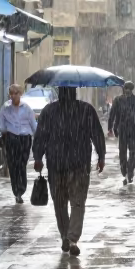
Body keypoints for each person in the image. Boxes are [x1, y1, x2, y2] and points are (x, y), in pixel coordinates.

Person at [32, 87, 106, 256]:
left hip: (56, 164)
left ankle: (66, 235)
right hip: (79, 164)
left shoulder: (49, 111)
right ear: (75, 92)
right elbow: (97, 134)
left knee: (60, 203)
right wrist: (101, 156)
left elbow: (40, 136)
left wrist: (38, 157)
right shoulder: (86, 109)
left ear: (59, 92)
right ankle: (72, 238)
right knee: (77, 202)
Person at [0, 84, 38, 203]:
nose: (14, 96)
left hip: (25, 139)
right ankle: (17, 191)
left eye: (16, 93)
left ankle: (22, 188)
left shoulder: (26, 108)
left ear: (20, 94)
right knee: (13, 165)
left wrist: (38, 137)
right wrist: (3, 130)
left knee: (21, 164)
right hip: (11, 138)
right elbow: (0, 119)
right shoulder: (6, 107)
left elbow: (33, 123)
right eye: (11, 93)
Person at [108, 81, 135, 185]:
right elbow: (112, 115)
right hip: (126, 130)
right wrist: (111, 128)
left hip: (129, 130)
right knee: (126, 152)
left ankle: (128, 171)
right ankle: (126, 170)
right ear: (124, 89)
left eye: (129, 88)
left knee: (129, 152)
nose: (128, 90)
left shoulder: (133, 101)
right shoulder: (120, 100)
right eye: (127, 88)